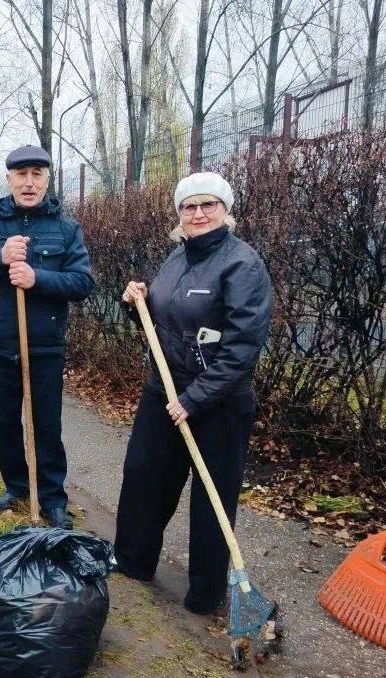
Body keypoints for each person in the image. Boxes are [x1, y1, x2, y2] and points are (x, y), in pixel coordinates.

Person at [115, 172, 272, 614]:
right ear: (179, 214)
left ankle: (205, 593)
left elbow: (243, 346)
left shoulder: (243, 264)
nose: (198, 213)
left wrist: (195, 399)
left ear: (225, 210)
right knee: (145, 475)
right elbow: (164, 322)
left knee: (211, 497)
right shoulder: (176, 258)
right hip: (165, 388)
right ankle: (132, 562)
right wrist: (135, 303)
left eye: (208, 205)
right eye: (189, 206)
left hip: (220, 401)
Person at [0, 145, 94, 529]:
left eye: (37, 174)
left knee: (47, 425)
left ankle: (52, 497)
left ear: (47, 179)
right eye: (21, 175)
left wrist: (37, 278)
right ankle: (16, 486)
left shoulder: (65, 229)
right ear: (9, 179)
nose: (29, 183)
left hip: (44, 347)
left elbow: (82, 283)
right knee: (3, 424)